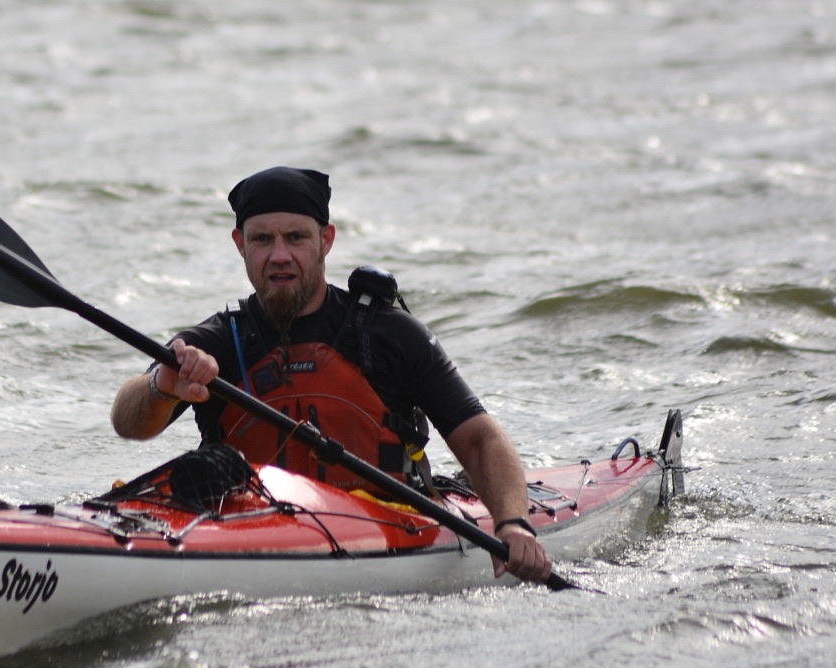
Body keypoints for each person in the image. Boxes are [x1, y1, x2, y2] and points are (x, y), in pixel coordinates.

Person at [111, 166, 552, 584]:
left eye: (296, 238)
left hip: (388, 522)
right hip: (244, 530)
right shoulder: (217, 340)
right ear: (239, 245)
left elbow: (479, 439)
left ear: (326, 240)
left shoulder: (389, 334)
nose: (279, 255)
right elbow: (128, 423)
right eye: (262, 239)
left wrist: (513, 523)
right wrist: (162, 387)